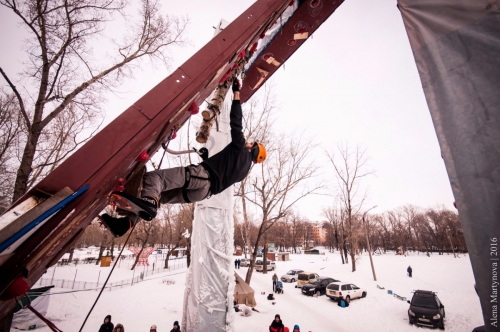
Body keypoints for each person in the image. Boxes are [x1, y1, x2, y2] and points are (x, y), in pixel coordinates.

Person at [100, 80, 267, 238]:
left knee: (155, 179)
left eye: (253, 143)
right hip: (202, 193)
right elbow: (222, 173)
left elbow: (236, 122)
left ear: (253, 149)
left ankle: (149, 203)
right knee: (160, 197)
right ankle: (124, 225)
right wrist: (206, 158)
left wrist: (236, 91)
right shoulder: (243, 171)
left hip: (201, 177)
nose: (250, 142)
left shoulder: (241, 147)